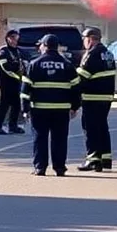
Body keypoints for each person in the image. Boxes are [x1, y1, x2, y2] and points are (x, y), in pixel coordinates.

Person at [20, 34, 81, 177]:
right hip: (61, 109)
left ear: (45, 46)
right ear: (57, 47)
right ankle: (59, 168)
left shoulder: (33, 64)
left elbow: (25, 90)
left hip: (39, 109)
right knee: (59, 139)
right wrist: (75, 107)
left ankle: (40, 168)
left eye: (40, 44)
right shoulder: (67, 64)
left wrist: (25, 109)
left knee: (40, 138)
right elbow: (76, 88)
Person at [74, 26, 116, 172]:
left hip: (92, 97)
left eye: (84, 39)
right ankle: (105, 159)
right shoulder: (108, 53)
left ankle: (92, 159)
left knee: (90, 128)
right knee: (102, 127)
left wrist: (74, 97)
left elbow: (81, 78)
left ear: (91, 39)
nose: (83, 42)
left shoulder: (90, 54)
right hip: (107, 97)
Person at [0, 29, 27, 135]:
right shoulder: (3, 52)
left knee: (16, 105)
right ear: (7, 38)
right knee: (4, 104)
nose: (14, 40)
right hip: (6, 82)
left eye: (16, 38)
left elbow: (23, 66)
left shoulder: (18, 51)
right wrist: (18, 76)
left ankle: (13, 126)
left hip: (16, 83)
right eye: (12, 37)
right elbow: (6, 68)